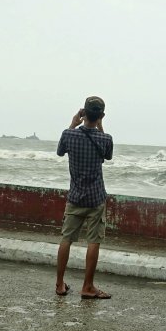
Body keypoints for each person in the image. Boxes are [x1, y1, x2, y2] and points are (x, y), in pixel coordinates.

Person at [55, 96, 114, 299]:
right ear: (101, 115)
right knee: (93, 241)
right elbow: (107, 156)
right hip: (96, 198)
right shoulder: (105, 138)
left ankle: (60, 284)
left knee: (66, 239)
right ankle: (88, 286)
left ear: (83, 113)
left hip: (75, 197)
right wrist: (100, 125)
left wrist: (73, 123)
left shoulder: (69, 135)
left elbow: (60, 151)